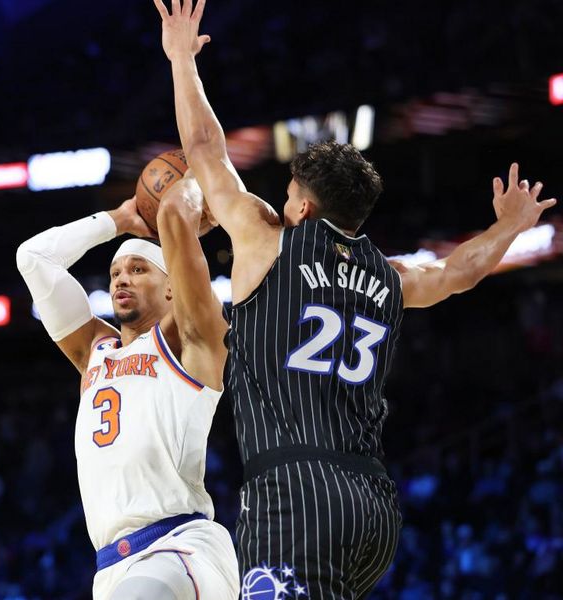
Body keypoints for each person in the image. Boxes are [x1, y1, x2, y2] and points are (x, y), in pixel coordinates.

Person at [153, 0, 558, 596]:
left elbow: (205, 147)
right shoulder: (392, 277)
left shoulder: (267, 242)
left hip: (296, 494)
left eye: (287, 195)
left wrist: (181, 59)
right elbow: (459, 271)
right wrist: (509, 227)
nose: (280, 204)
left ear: (304, 206)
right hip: (371, 507)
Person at [16, 175, 239, 599]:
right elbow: (33, 258)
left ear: (172, 287)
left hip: (179, 545)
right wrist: (118, 220)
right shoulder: (94, 352)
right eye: (116, 272)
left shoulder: (188, 342)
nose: (121, 279)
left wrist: (186, 202)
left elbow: (194, 288)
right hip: (112, 568)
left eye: (138, 270)